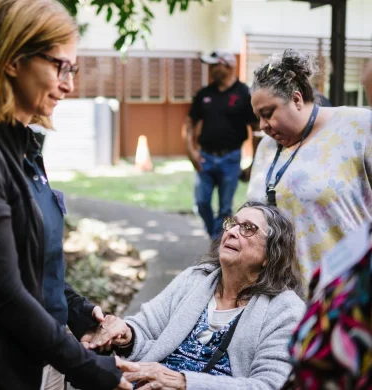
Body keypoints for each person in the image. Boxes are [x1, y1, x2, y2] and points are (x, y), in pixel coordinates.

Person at [0, 1, 138, 389]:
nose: (69, 83)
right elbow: (4, 294)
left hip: (33, 357)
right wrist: (84, 368)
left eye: (73, 69)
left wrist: (79, 311)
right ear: (13, 60)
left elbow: (35, 261)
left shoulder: (23, 146)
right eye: (59, 66)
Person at [86, 202, 306, 390]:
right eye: (232, 224)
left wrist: (184, 382)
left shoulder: (286, 310)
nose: (231, 232)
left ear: (270, 254)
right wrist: (126, 334)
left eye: (248, 228)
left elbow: (269, 385)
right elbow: (146, 327)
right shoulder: (196, 278)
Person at [247, 49, 372, 283]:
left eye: (268, 113)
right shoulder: (267, 145)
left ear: (296, 99)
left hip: (344, 293)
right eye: (258, 117)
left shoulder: (359, 126)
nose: (263, 125)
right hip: (281, 297)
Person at [186, 50, 259, 240]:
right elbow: (189, 124)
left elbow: (256, 129)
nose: (210, 70)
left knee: (226, 208)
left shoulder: (244, 93)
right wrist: (191, 151)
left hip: (231, 158)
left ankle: (217, 243)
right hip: (205, 157)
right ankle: (214, 237)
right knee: (201, 203)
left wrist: (254, 162)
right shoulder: (204, 94)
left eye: (213, 65)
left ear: (227, 66)